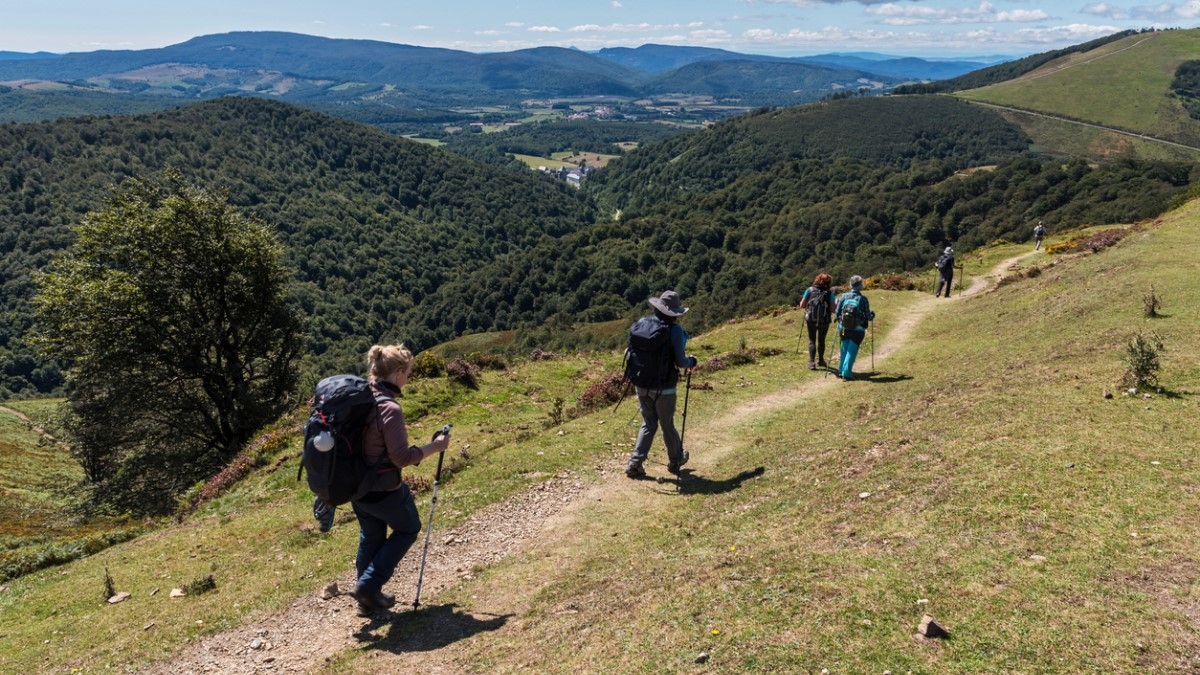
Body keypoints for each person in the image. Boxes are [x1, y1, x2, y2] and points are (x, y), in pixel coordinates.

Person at [349, 343, 451, 616]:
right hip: (383, 489)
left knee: (371, 536)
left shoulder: (359, 399)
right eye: (408, 373)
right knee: (407, 528)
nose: (408, 379)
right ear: (398, 373)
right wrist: (436, 447)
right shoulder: (389, 409)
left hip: (355, 488)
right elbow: (401, 457)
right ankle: (368, 587)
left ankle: (365, 599)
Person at [625, 291, 698, 479]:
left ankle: (635, 463)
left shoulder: (642, 322)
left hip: (640, 383)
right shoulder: (674, 331)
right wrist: (692, 361)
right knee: (667, 424)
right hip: (664, 387)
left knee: (649, 422)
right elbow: (681, 362)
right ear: (674, 313)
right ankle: (676, 460)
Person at [835, 275, 875, 381]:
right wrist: (872, 316)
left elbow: (837, 312)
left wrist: (840, 321)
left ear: (850, 284)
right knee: (851, 351)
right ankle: (847, 373)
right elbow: (868, 316)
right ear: (860, 285)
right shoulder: (863, 299)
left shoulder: (843, 297)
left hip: (844, 327)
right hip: (858, 329)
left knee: (844, 348)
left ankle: (840, 370)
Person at [799, 272, 835, 370]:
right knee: (821, 340)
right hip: (825, 320)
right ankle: (821, 360)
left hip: (811, 319)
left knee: (812, 340)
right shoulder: (829, 293)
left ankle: (811, 362)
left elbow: (802, 305)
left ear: (817, 280)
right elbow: (833, 310)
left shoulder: (809, 290)